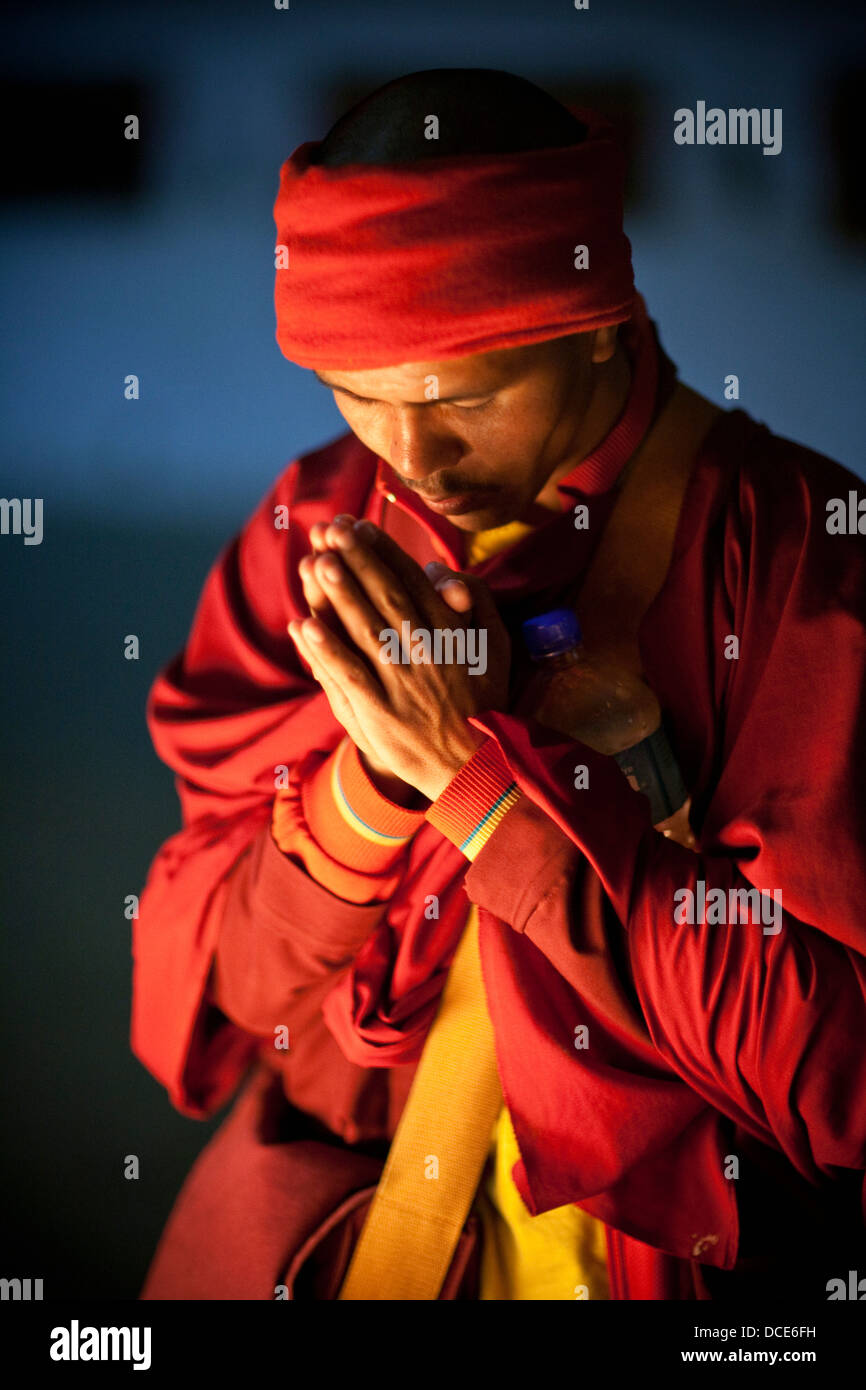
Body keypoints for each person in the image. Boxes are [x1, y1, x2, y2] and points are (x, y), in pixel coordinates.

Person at [132, 68, 866, 1301]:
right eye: (354, 398)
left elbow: (834, 1077)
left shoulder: (793, 554)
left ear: (598, 323)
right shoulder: (308, 533)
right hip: (323, 1244)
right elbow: (223, 998)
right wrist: (369, 788)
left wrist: (480, 790)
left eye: (462, 399)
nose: (409, 458)